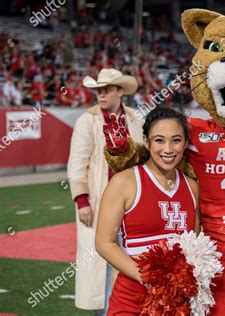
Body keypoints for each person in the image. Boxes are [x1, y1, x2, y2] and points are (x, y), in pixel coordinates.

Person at [95, 106, 200, 314]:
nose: (168, 149)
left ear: (186, 143)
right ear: (146, 141)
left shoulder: (192, 186)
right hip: (133, 298)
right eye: (159, 140)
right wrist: (149, 277)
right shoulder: (125, 182)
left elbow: (196, 243)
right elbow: (104, 243)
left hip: (177, 300)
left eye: (176, 140)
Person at [67, 68, 144, 313]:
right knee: (102, 265)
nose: (101, 95)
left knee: (129, 262)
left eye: (107, 90)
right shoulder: (86, 120)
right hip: (100, 203)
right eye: (98, 91)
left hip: (131, 203)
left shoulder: (134, 118)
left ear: (119, 92)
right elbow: (77, 162)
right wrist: (81, 200)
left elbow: (142, 157)